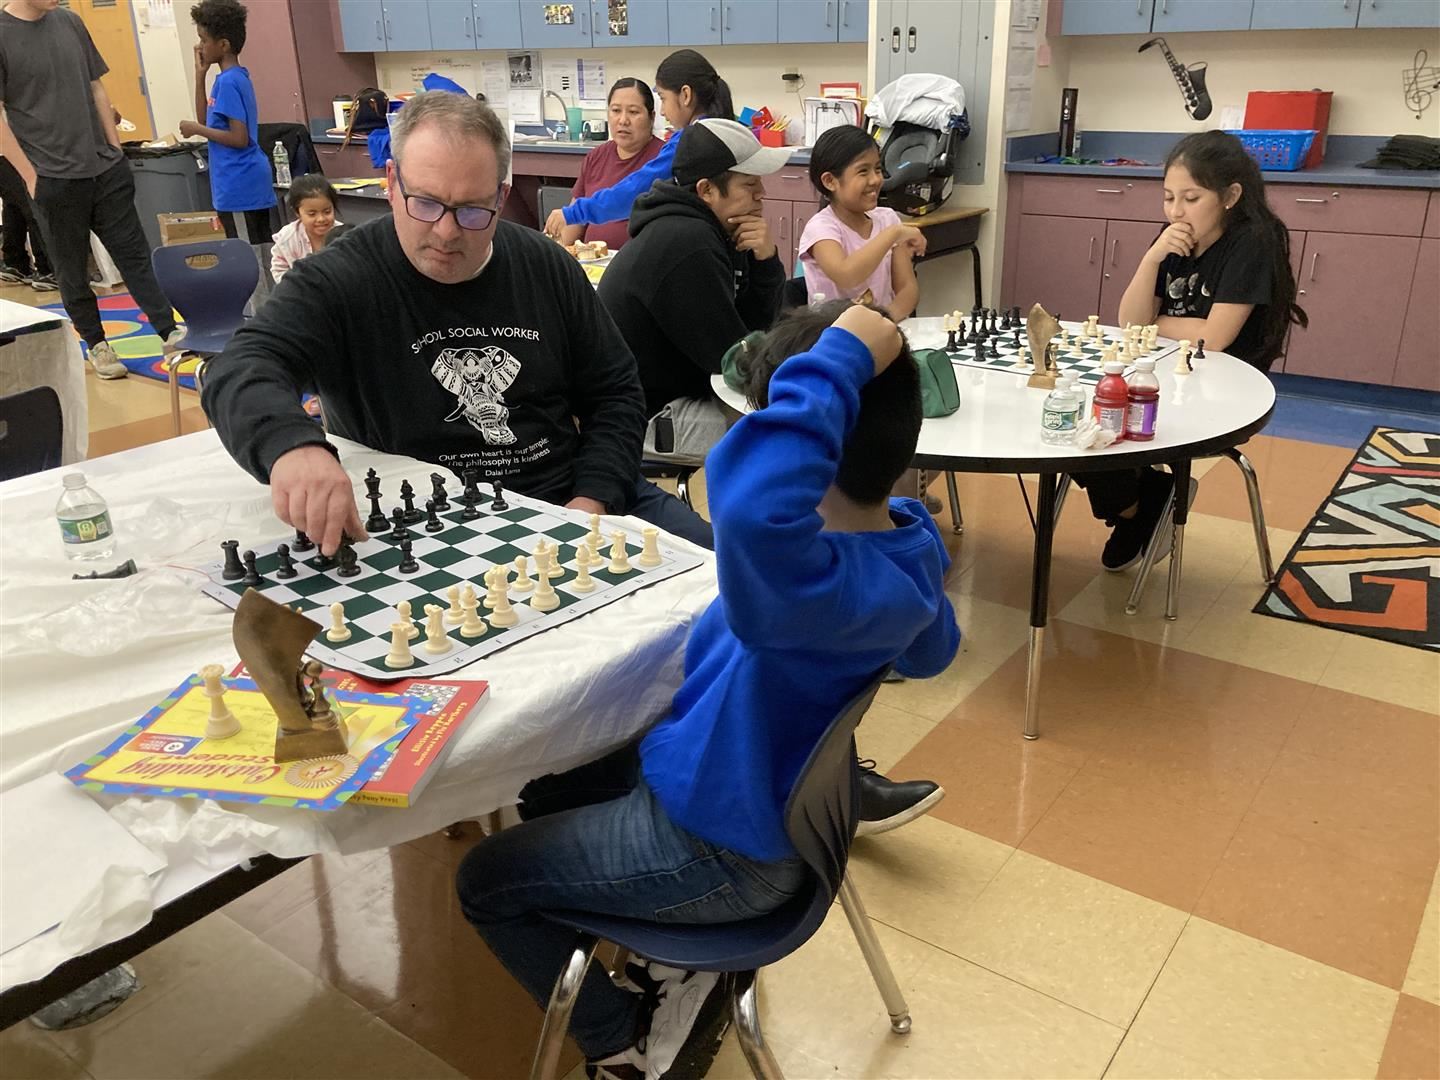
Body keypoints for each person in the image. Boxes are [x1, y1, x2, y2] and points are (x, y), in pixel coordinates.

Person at [456, 301, 961, 1080]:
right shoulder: (904, 549)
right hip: (771, 821)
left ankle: (624, 1042)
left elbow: (752, 506)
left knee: (483, 881)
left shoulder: (799, 584)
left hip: (716, 850)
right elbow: (933, 653)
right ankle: (668, 968)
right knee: (554, 785)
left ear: (807, 443)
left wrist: (837, 356)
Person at [200, 91, 711, 556]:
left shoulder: (545, 265)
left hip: (572, 499)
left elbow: (616, 392)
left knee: (739, 574)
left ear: (500, 195)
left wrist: (592, 498)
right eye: (425, 203)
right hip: (429, 524)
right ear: (392, 184)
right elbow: (241, 367)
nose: (445, 232)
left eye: (472, 210)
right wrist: (293, 446)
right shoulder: (340, 278)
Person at [1076, 130, 1308, 572]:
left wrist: (1155, 324)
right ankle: (1137, 504)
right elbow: (1129, 319)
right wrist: (1151, 260)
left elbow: (1216, 336)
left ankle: (1137, 504)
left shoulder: (1251, 241)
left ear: (1230, 196)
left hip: (1223, 387)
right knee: (1086, 414)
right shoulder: (1174, 237)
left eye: (1191, 197)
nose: (1175, 211)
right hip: (1166, 370)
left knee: (1106, 419)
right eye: (1167, 198)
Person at [0, 0, 183, 379]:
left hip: (105, 167)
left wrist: (115, 148)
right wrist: (31, 176)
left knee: (134, 255)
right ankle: (97, 344)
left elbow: (96, 86)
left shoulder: (69, 22)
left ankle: (169, 329)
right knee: (72, 269)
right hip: (53, 177)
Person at [597, 117, 787, 463]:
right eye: (749, 184)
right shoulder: (687, 243)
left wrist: (765, 262)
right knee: (801, 436)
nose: (762, 193)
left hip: (684, 393)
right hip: (642, 418)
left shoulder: (718, 230)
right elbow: (735, 366)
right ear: (706, 190)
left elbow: (753, 334)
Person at [543, 49, 732, 239]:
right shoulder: (720, 131)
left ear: (685, 95)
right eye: (615, 110)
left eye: (663, 99)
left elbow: (636, 190)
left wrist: (574, 212)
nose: (664, 112)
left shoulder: (691, 142)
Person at [798, 124, 926, 320]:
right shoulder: (821, 228)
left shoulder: (887, 219)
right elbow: (846, 275)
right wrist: (894, 234)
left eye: (877, 169)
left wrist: (883, 321)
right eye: (863, 172)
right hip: (833, 337)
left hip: (881, 331)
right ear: (830, 181)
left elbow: (907, 289)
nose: (875, 180)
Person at [181, 0, 276, 243]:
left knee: (250, 260)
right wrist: (200, 75)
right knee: (256, 255)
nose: (199, 46)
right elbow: (207, 120)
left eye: (203, 39)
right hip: (237, 183)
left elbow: (239, 138)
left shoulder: (229, 82)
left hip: (240, 184)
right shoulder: (228, 79)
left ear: (223, 45)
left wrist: (195, 129)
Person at [554, 78, 663, 254]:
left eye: (634, 112)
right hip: (592, 264)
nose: (623, 120)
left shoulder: (663, 159)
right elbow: (573, 225)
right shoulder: (596, 157)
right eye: (615, 111)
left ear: (652, 117)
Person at [269, 174, 339, 282]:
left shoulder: (344, 235)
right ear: (297, 212)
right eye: (312, 214)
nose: (321, 219)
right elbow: (279, 269)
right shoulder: (286, 238)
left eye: (327, 211)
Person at [0, 153, 54, 289]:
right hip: (12, 153)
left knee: (13, 206)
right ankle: (46, 269)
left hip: (6, 157)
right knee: (32, 207)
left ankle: (15, 262)